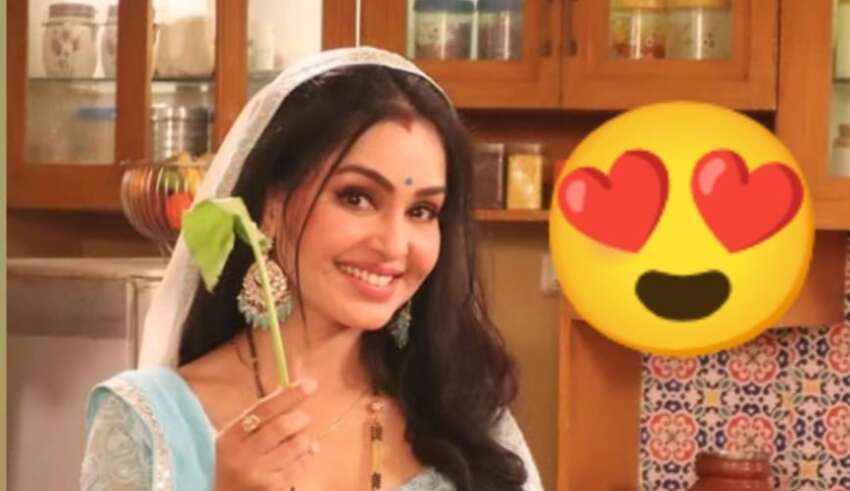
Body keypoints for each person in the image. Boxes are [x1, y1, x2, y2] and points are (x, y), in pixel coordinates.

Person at [80, 47, 543, 491]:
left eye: (421, 211)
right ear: (271, 207)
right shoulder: (147, 424)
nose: (393, 245)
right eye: (357, 198)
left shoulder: (466, 416)